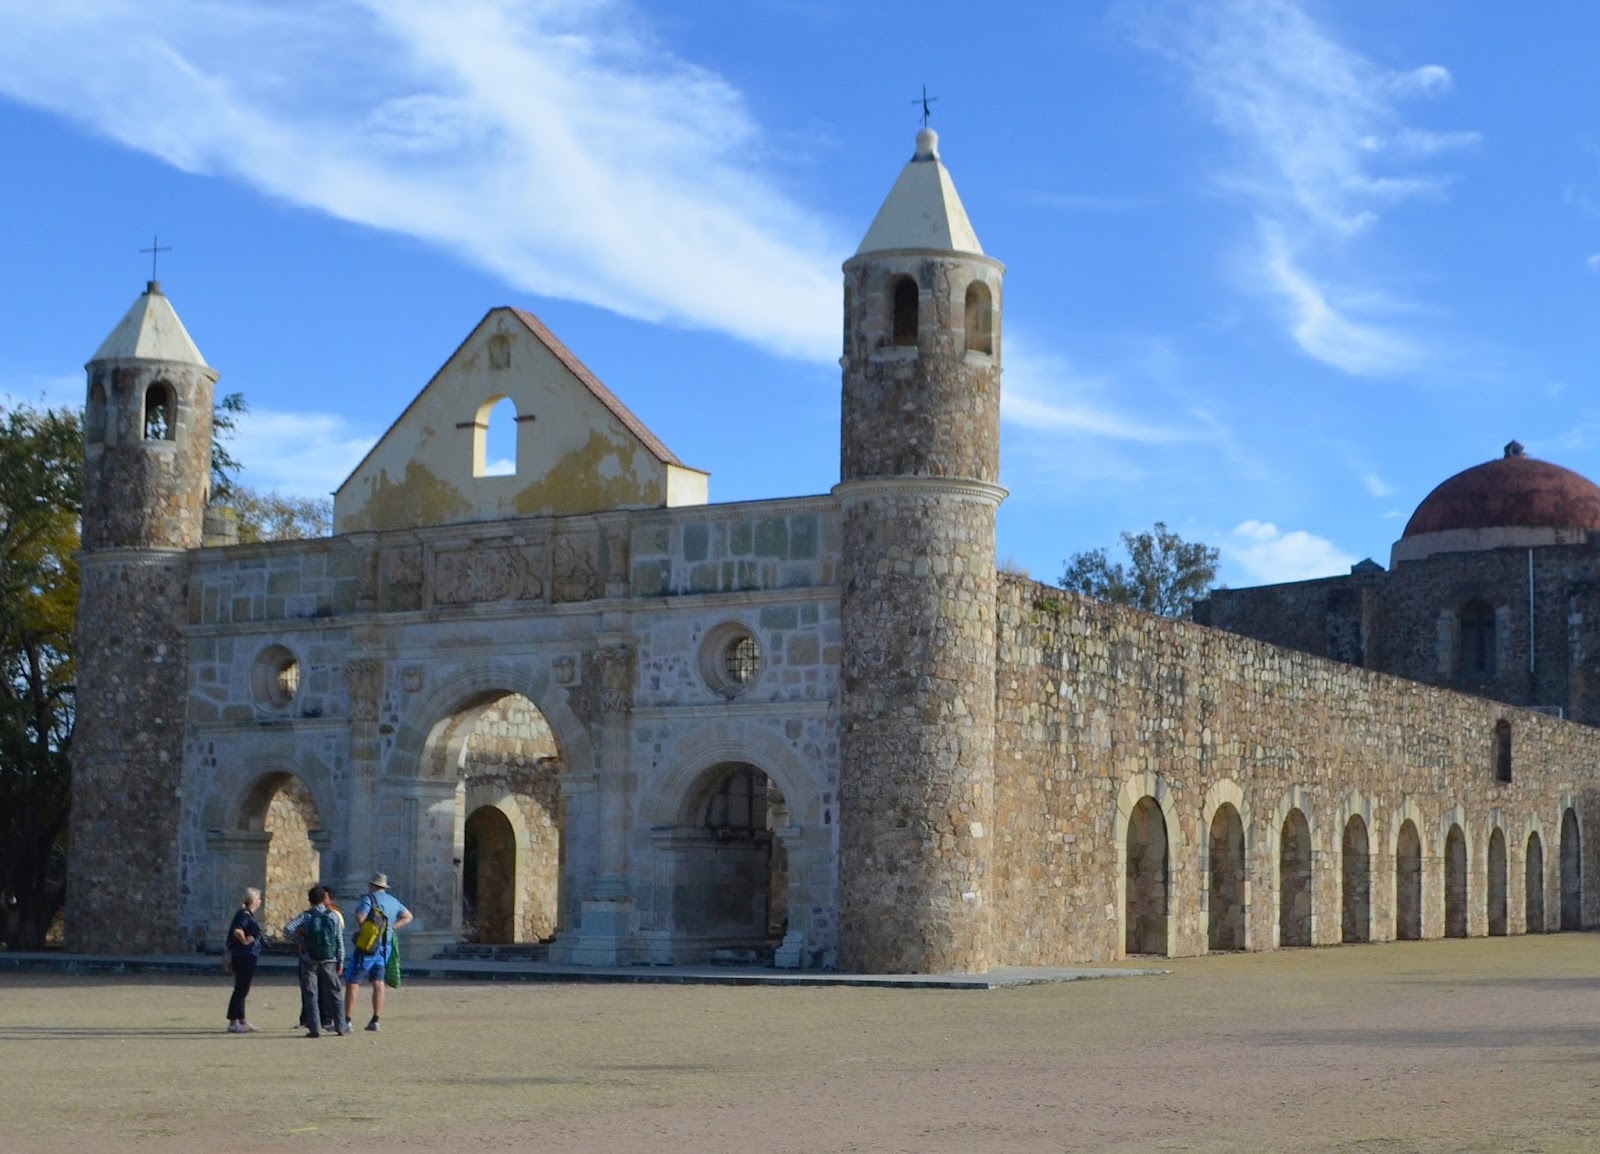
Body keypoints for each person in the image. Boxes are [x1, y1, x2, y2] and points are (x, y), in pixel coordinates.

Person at [345, 872, 412, 1032]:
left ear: (371, 885)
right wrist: (392, 927)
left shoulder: (368, 899)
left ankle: (347, 1020)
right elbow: (408, 916)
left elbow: (360, 917)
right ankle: (375, 1019)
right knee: (378, 982)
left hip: (368, 946)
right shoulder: (393, 901)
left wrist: (366, 930)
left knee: (353, 981)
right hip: (385, 946)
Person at [283, 885, 348, 1038]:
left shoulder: (306, 916)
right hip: (329, 959)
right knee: (335, 993)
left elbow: (287, 929)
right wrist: (341, 961)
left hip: (309, 959)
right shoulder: (333, 916)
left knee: (311, 993)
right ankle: (341, 1027)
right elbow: (339, 940)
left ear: (310, 900)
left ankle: (314, 1029)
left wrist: (301, 942)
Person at [225, 887, 263, 1034]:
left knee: (243, 989)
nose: (260, 901)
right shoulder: (245, 915)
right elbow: (238, 931)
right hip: (244, 956)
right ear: (253, 900)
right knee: (240, 989)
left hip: (246, 957)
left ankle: (242, 1020)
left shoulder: (245, 915)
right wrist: (246, 942)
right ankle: (233, 1022)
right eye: (259, 898)